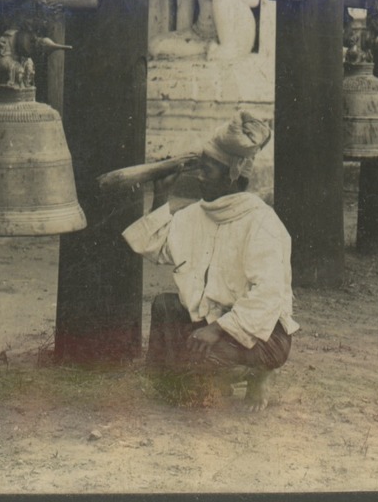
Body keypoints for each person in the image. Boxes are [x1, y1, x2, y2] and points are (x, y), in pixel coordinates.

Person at [122, 111, 297, 409]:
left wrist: (217, 329)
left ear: (232, 173)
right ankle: (188, 378)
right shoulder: (197, 215)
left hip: (264, 334)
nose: (199, 176)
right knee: (165, 309)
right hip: (210, 320)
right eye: (200, 168)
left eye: (208, 169)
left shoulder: (262, 222)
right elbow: (154, 245)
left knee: (192, 366)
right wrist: (162, 193)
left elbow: (268, 295)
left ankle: (257, 374)